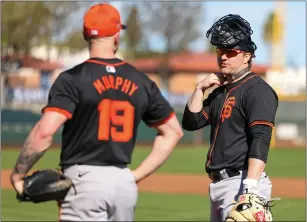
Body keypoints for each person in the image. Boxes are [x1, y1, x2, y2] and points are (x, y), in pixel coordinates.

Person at [10, 3, 183, 221]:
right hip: (123, 184)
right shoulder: (141, 81)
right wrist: (135, 175)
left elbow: (44, 134)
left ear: (85, 35)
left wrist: (18, 173)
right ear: (116, 34)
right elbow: (173, 132)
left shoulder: (72, 79)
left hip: (83, 182)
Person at [182, 14, 278, 221]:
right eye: (220, 51)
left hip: (243, 183)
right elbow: (191, 122)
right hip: (219, 186)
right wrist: (199, 89)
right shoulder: (220, 92)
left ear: (246, 56)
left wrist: (250, 189)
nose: (223, 56)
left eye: (230, 52)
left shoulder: (257, 90)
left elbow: (261, 138)